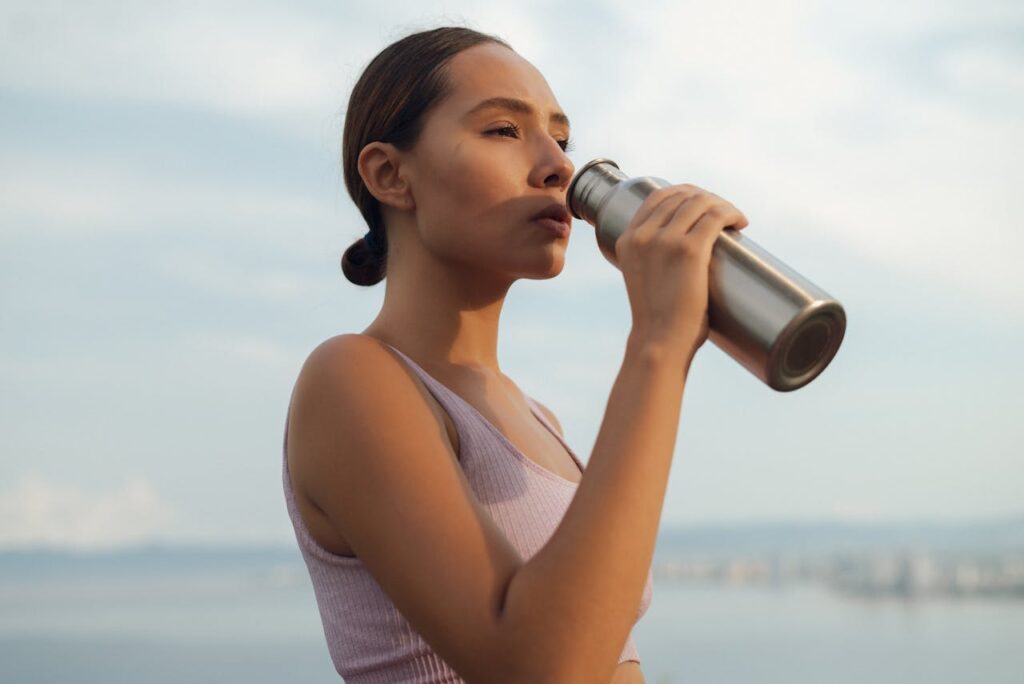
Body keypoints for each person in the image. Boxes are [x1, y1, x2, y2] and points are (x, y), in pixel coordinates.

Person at [282, 25, 749, 683]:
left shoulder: (539, 420)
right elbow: (540, 668)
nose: (559, 165)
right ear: (390, 174)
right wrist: (658, 345)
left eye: (562, 138)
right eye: (504, 130)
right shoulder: (352, 380)